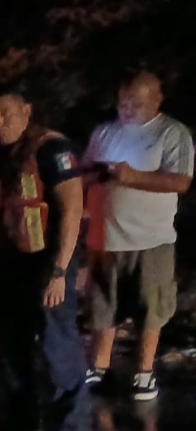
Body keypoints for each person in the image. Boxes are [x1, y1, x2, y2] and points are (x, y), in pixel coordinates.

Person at [0, 83, 91, 431]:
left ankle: (73, 427)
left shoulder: (51, 149)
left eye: (5, 113)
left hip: (45, 261)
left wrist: (59, 272)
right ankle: (24, 421)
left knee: (57, 343)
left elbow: (71, 210)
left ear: (26, 111)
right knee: (10, 345)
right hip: (7, 261)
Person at [83, 71, 194, 401]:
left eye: (135, 102)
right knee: (103, 306)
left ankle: (144, 373)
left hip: (151, 240)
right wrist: (95, 177)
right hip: (105, 239)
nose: (126, 108)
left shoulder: (172, 133)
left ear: (157, 100)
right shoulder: (104, 133)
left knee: (151, 307)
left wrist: (132, 177)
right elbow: (85, 172)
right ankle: (98, 368)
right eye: (122, 101)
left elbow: (180, 182)